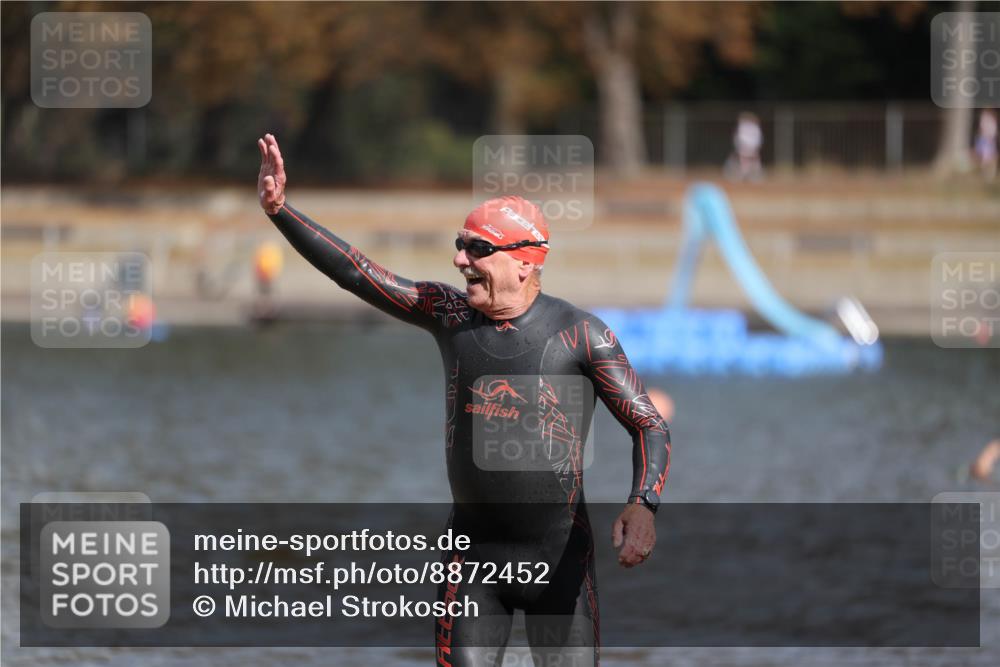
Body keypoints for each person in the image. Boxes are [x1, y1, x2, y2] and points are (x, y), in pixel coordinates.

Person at [256, 133, 671, 666]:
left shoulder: (581, 334)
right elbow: (358, 273)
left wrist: (643, 505)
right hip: (472, 562)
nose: (459, 260)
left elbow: (648, 425)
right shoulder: (449, 316)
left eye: (478, 248)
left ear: (525, 262)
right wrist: (280, 210)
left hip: (558, 559)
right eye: (460, 244)